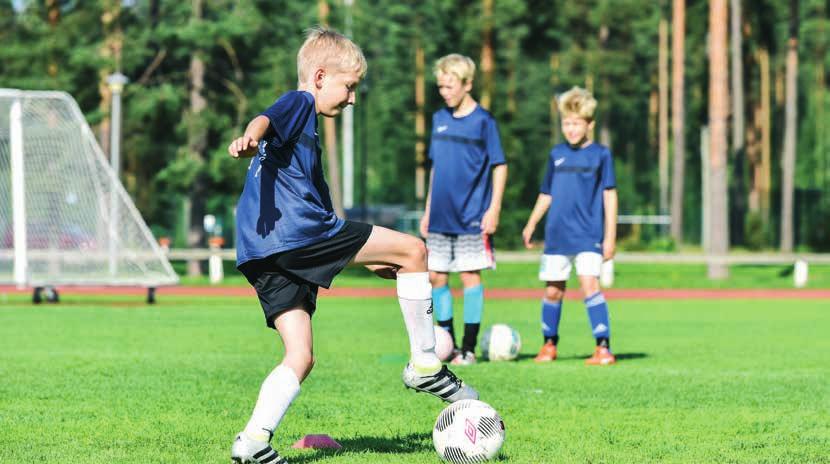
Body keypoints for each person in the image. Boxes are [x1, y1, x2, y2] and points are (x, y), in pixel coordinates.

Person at [226, 28, 478, 464]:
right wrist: (249, 137)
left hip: (259, 249)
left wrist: (374, 261)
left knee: (300, 356)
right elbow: (265, 118)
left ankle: (251, 444)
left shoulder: (305, 142)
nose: (352, 98)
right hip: (295, 234)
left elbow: (328, 221)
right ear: (320, 76)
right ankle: (424, 364)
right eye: (350, 87)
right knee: (415, 250)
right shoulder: (301, 101)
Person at [419, 54, 508, 366]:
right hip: (441, 216)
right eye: (441, 86)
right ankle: (448, 345)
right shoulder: (439, 119)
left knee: (469, 277)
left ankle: (468, 349)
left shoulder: (484, 122)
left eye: (450, 86)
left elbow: (499, 166)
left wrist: (494, 208)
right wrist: (428, 210)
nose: (445, 92)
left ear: (468, 84)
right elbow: (436, 168)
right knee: (436, 278)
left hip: (472, 216)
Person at [521, 86, 618, 366]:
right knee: (553, 290)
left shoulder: (601, 155)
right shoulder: (556, 154)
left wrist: (610, 236)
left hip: (588, 235)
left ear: (590, 124)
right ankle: (549, 344)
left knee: (590, 285)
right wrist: (531, 223)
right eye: (566, 123)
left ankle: (603, 348)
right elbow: (546, 193)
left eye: (577, 123)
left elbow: (609, 195)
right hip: (556, 235)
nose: (571, 129)